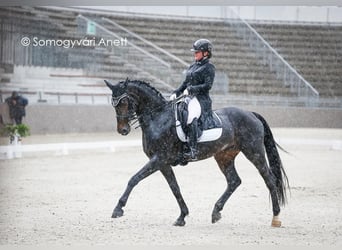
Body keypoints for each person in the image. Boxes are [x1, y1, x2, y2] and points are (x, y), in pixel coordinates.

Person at [170, 38, 215, 160]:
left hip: (201, 99)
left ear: (206, 53)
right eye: (194, 52)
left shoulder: (209, 67)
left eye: (197, 52)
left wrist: (191, 90)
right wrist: (176, 92)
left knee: (190, 116)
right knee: (177, 112)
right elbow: (185, 83)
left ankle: (193, 150)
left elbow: (207, 86)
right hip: (189, 97)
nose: (195, 54)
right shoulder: (193, 66)